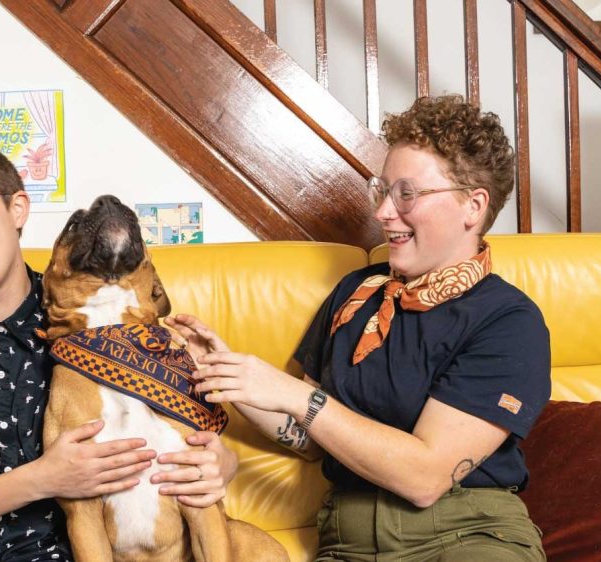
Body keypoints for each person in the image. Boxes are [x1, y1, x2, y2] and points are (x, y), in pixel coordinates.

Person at [168, 95, 551, 561]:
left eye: (407, 194)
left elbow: (426, 477)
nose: (383, 212)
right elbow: (308, 436)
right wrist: (223, 371)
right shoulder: (356, 294)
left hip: (466, 538)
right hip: (348, 544)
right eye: (383, 191)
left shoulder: (508, 320)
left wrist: (293, 394)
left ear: (473, 206)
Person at [0, 142, 237, 561]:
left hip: (46, 552)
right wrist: (40, 479)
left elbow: (173, 436)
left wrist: (224, 464)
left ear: (17, 208)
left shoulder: (84, 315)